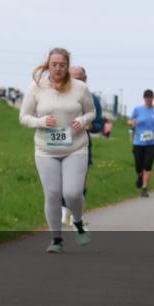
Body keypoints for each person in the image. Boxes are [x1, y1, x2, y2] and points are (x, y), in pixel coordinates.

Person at [19, 48, 96, 253]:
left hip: (76, 147)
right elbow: (24, 117)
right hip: (45, 149)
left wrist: (82, 119)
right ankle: (56, 239)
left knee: (72, 193)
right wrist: (40, 121)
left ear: (67, 66)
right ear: (48, 65)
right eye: (54, 64)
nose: (58, 68)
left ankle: (78, 222)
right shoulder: (36, 87)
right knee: (52, 194)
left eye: (62, 65)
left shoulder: (79, 87)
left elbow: (91, 112)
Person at [60, 65, 100, 228]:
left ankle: (76, 216)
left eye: (80, 79)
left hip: (82, 143)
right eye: (74, 78)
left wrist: (86, 125)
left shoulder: (92, 99)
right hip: (62, 141)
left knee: (80, 184)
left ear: (86, 79)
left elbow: (98, 124)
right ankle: (64, 212)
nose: (77, 81)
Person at [130, 89, 154, 198]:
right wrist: (132, 122)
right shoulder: (137, 109)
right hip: (138, 141)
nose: (148, 99)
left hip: (152, 142)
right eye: (146, 97)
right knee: (138, 165)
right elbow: (130, 121)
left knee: (148, 165)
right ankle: (140, 176)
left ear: (153, 98)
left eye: (150, 97)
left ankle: (144, 188)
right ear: (144, 98)